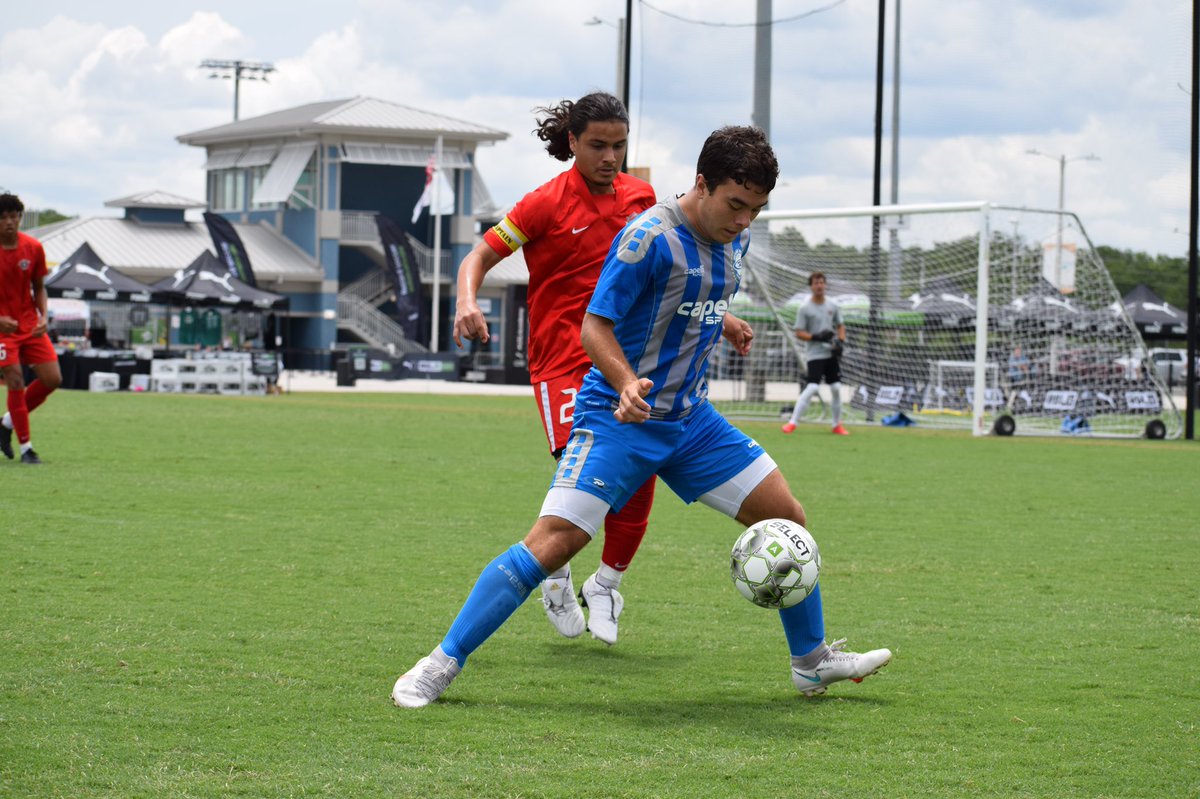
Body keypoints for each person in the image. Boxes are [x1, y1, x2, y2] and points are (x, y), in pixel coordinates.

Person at [393, 126, 891, 708]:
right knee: (556, 542)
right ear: (701, 183)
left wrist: (721, 322)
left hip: (691, 422)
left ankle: (811, 662)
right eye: (735, 205)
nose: (744, 221)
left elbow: (693, 300)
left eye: (756, 209)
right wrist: (628, 384)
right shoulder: (646, 238)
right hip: (618, 417)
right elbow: (594, 326)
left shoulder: (737, 240)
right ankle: (441, 661)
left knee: (788, 518)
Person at [452, 91, 658, 645]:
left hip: (622, 355)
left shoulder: (643, 197)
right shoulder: (542, 204)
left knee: (639, 474)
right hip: (562, 363)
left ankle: (607, 584)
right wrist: (466, 298)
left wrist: (724, 317)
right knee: (580, 472)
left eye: (619, 145)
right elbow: (479, 255)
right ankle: (556, 572)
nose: (610, 157)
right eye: (597, 145)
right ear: (572, 142)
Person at [0, 192, 62, 465]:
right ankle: (27, 449)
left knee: (53, 379)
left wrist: (43, 316)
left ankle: (5, 424)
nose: (9, 223)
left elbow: (39, 287)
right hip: (2, 329)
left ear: (20, 218)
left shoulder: (33, 248)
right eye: (2, 218)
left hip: (29, 325)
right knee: (15, 379)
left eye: (13, 217)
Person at [782, 271, 848, 435]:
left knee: (836, 387)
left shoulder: (832, 305)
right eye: (816, 283)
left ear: (825, 285)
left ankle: (836, 425)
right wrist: (815, 337)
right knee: (811, 387)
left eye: (821, 283)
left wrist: (840, 341)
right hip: (814, 354)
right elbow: (798, 332)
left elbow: (840, 325)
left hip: (831, 354)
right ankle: (792, 423)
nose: (819, 286)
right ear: (811, 286)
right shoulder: (805, 308)